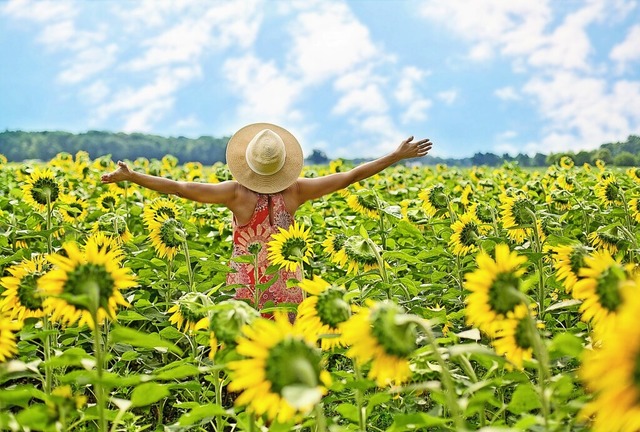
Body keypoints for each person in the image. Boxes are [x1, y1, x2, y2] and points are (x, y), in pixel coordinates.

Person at [101, 122, 432, 312]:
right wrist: (395, 156)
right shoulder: (297, 191)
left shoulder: (236, 194)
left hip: (250, 289)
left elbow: (181, 187)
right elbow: (350, 176)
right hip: (289, 287)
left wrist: (135, 177)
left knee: (250, 357)